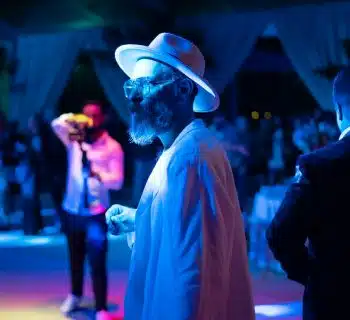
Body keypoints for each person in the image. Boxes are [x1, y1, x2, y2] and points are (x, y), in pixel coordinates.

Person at [106, 33, 254, 320]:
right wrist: (139, 218)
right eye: (131, 86)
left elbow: (194, 276)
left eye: (146, 85)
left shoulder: (189, 158)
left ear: (184, 90)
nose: (134, 97)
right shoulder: (182, 149)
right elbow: (181, 230)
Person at [266, 67, 350, 320]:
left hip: (334, 302)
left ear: (338, 111)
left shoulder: (319, 165)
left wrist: (315, 276)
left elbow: (280, 234)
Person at [51, 102, 124, 320]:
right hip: (73, 209)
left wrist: (99, 175)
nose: (89, 120)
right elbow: (56, 125)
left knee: (97, 260)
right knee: (74, 257)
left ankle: (101, 306)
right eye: (86, 116)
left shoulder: (112, 147)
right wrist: (74, 119)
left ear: (102, 118)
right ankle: (75, 295)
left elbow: (118, 182)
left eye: (93, 116)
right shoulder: (74, 141)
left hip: (95, 213)